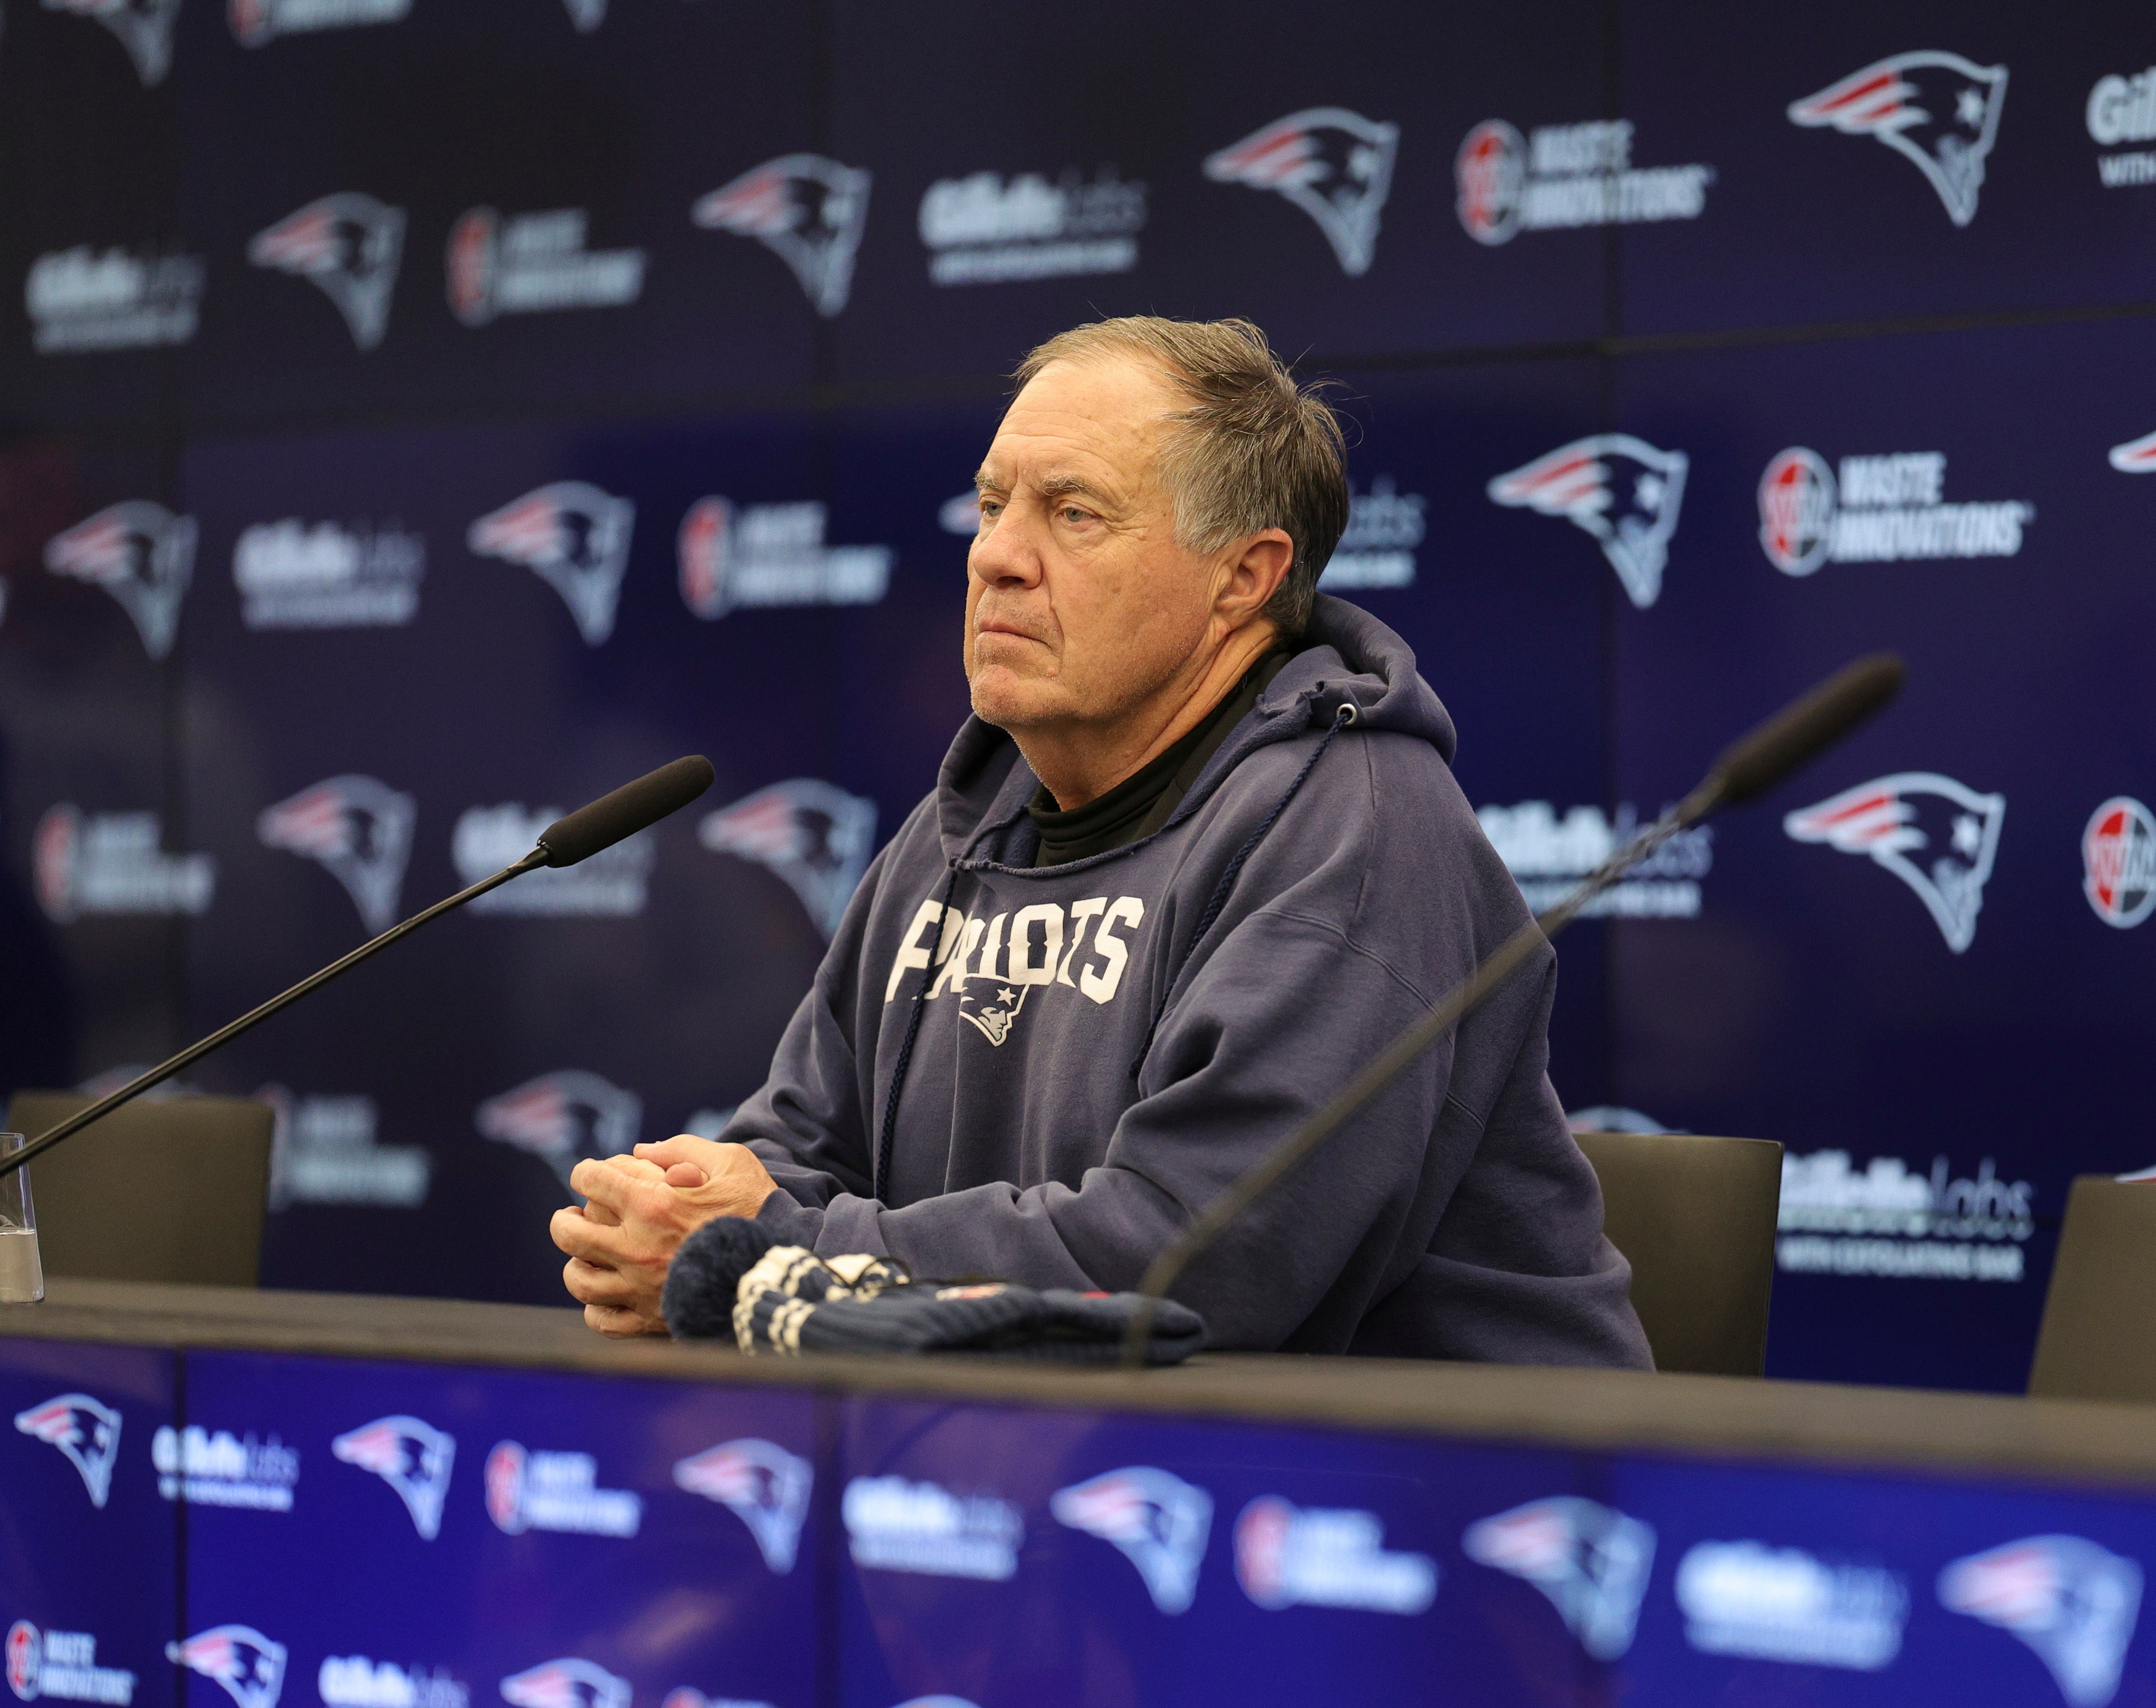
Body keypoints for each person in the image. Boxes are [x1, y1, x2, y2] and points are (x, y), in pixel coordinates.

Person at [549, 315, 1650, 1366]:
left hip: (1442, 1505)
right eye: (991, 506)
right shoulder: (958, 835)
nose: (996, 560)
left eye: (1074, 513)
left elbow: (1193, 1261)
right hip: (1054, 1462)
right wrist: (682, 1214)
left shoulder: (1351, 830)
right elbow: (787, 1152)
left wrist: (766, 1255)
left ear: (1246, 577)